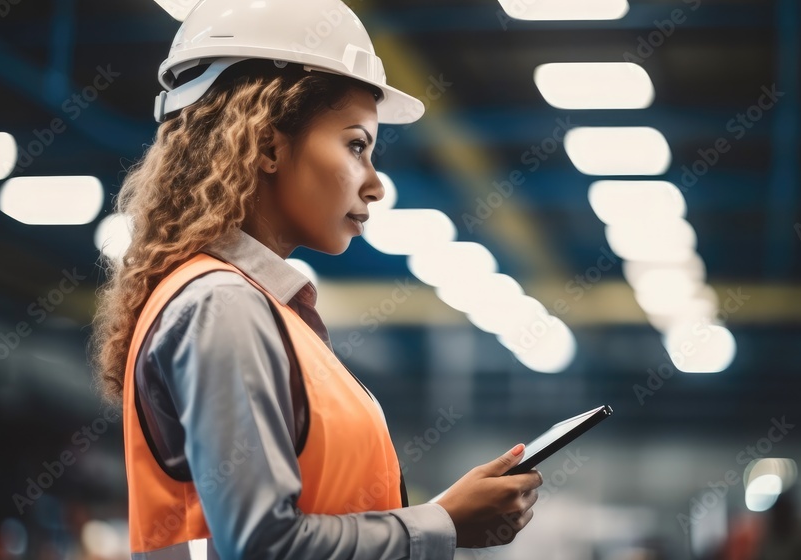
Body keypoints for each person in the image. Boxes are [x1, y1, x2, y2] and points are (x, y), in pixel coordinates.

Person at [89, 0, 542, 558]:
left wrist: (437, 514)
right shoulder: (221, 304)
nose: (375, 184)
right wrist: (440, 525)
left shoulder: (257, 308)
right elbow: (262, 545)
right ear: (267, 146)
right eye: (357, 145)